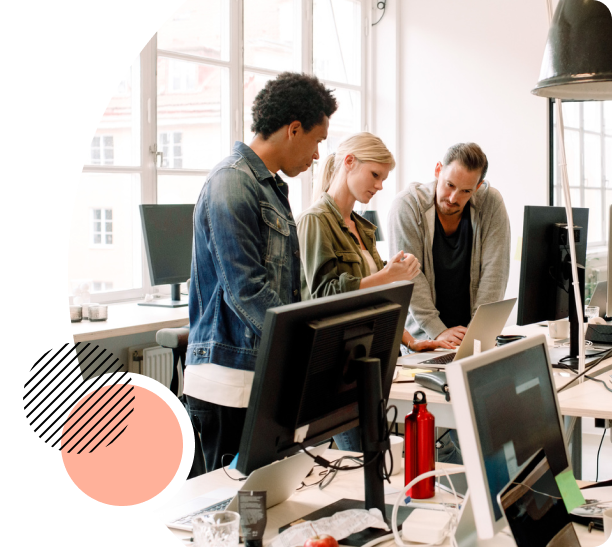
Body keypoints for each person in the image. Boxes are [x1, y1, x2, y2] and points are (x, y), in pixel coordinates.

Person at [183, 72, 338, 476]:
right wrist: (304, 346)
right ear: (293, 129)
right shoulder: (232, 182)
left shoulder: (268, 187)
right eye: (318, 141)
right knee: (225, 519)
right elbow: (246, 290)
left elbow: (283, 290)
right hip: (226, 382)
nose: (318, 156)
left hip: (256, 374)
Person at [297, 132, 454, 451]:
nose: (380, 185)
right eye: (375, 175)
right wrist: (385, 276)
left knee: (385, 459)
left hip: (370, 364)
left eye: (383, 178)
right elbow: (323, 297)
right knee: (367, 463)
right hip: (337, 372)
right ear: (349, 163)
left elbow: (378, 302)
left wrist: (412, 341)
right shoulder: (314, 222)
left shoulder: (361, 226)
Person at [388, 142, 510, 462]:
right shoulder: (408, 206)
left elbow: (494, 272)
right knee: (449, 431)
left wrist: (477, 336)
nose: (453, 198)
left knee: (493, 426)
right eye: (449, 185)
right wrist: (437, 332)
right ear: (438, 171)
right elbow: (409, 279)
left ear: (479, 188)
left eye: (466, 191)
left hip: (467, 339)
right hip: (424, 343)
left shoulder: (490, 203)